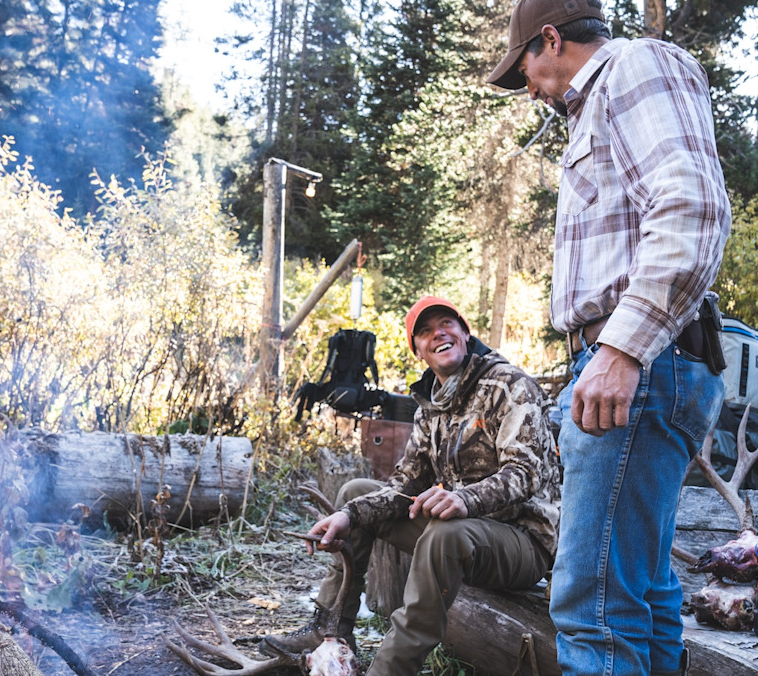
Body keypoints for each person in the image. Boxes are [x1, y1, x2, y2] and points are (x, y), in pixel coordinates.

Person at [487, 2, 731, 675]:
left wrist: (620, 351)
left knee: (592, 603)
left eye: (525, 71)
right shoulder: (594, 109)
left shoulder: (635, 67)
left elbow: (693, 207)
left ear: (551, 38)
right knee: (641, 591)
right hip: (656, 362)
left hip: (640, 363)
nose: (529, 88)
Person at [263, 295, 561, 676]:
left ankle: (389, 670)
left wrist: (464, 499)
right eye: (424, 331)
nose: (438, 334)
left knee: (444, 535)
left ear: (465, 333)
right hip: (463, 531)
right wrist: (347, 516)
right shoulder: (429, 406)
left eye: (447, 324)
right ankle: (330, 630)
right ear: (418, 350)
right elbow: (403, 485)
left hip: (522, 543)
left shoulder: (509, 385)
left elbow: (526, 472)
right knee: (355, 493)